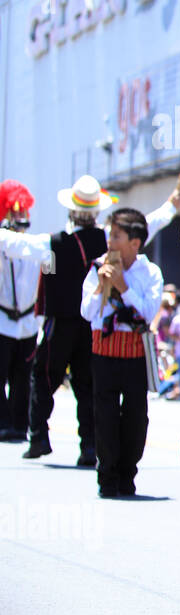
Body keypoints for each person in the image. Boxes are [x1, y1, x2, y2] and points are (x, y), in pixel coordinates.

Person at [0, 175, 178, 463]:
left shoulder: (54, 243)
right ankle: (89, 446)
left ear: (72, 211)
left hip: (61, 322)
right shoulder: (110, 241)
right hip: (94, 326)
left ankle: (38, 437)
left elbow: (16, 244)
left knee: (44, 378)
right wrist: (170, 208)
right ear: (96, 212)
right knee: (87, 384)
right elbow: (149, 224)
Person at [79, 208, 163, 498]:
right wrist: (102, 285)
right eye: (110, 234)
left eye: (116, 236)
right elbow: (87, 312)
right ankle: (107, 476)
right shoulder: (96, 268)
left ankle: (128, 473)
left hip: (135, 355)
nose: (110, 241)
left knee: (136, 418)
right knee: (105, 417)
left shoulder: (150, 273)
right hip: (103, 353)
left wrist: (123, 287)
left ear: (135, 243)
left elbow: (148, 312)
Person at [0, 181, 39, 443]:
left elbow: (53, 277)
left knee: (23, 378)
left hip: (29, 321)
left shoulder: (40, 246)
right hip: (2, 319)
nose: (19, 218)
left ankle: (19, 424)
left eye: (22, 214)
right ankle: (3, 422)